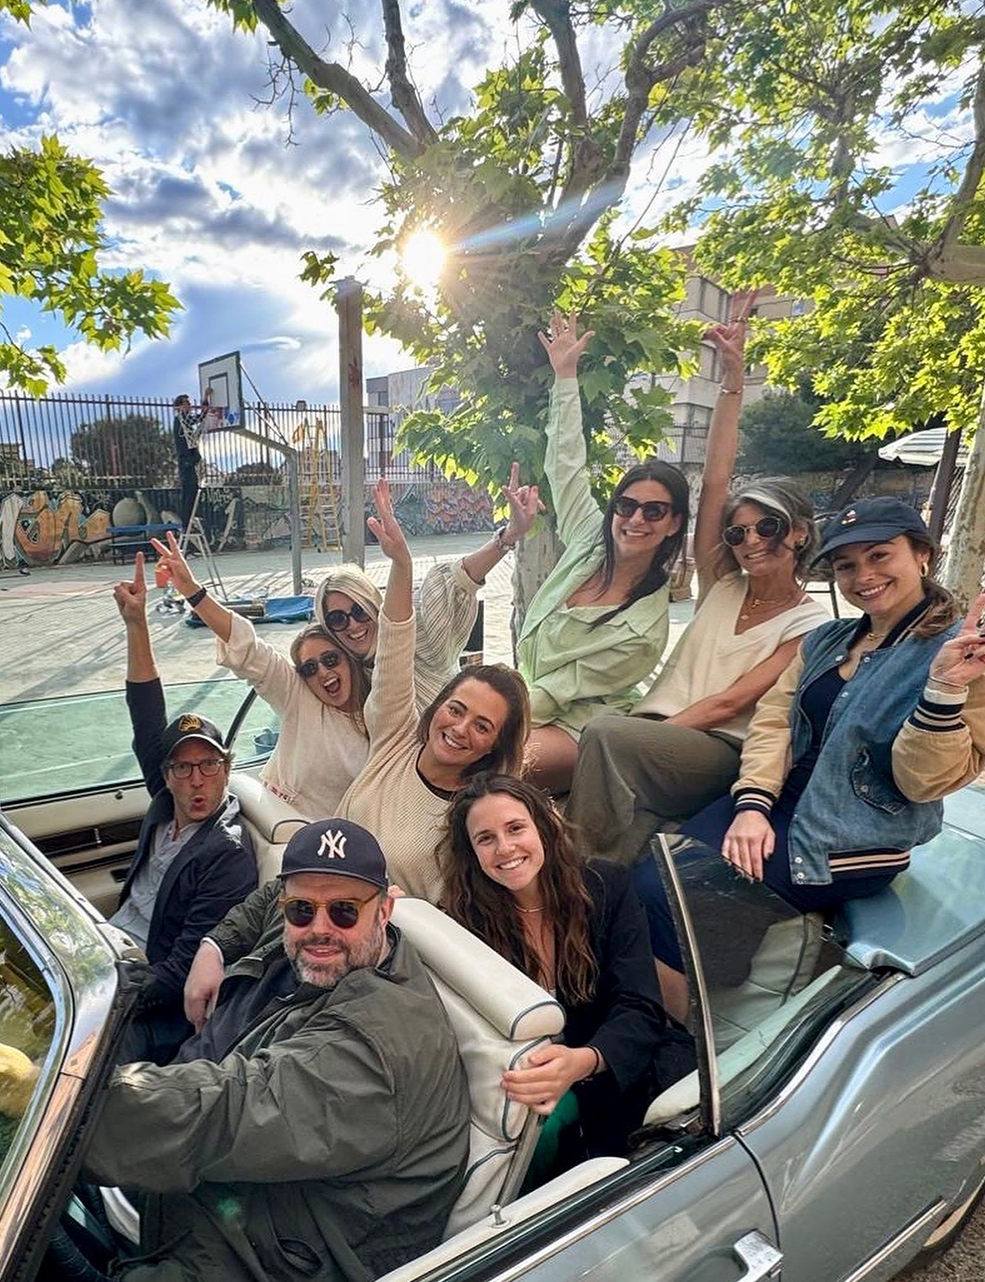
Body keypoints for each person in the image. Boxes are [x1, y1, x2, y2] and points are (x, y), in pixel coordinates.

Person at [0, 819, 470, 1282]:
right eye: (301, 909)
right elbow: (265, 903)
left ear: (385, 909)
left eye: (344, 910)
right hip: (225, 1208)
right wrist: (215, 948)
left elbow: (225, 1112)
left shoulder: (374, 1053)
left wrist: (53, 1096)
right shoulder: (336, 951)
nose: (319, 927)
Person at [632, 497, 985, 1015]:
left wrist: (944, 688)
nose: (863, 575)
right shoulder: (826, 639)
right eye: (846, 565)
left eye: (880, 556)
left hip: (852, 838)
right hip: (778, 804)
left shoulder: (971, 656)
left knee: (671, 903)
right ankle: (664, 1003)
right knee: (647, 874)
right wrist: (752, 805)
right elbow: (773, 725)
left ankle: (675, 1043)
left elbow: (923, 783)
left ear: (922, 554)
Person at [566, 297, 830, 863]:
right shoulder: (723, 582)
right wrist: (729, 384)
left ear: (800, 534)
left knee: (606, 737)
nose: (751, 540)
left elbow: (730, 703)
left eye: (768, 527)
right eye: (737, 534)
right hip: (663, 737)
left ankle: (569, 863)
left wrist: (638, 732)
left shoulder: (813, 623)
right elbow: (716, 482)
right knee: (617, 832)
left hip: (716, 748)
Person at [438, 773, 693, 1172]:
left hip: (621, 1066)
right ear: (471, 853)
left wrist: (582, 1062)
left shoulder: (606, 886)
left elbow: (640, 1005)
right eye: (485, 839)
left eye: (515, 828)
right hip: (527, 1077)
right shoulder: (462, 920)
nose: (505, 848)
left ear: (543, 825)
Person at [517, 313, 689, 792]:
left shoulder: (643, 631)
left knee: (488, 763)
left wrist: (494, 718)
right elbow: (566, 464)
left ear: (674, 523)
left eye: (654, 512)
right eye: (627, 505)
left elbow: (557, 693)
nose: (635, 520)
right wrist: (565, 377)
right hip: (532, 695)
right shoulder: (593, 538)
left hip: (583, 725)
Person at [335, 482, 531, 903]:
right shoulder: (395, 738)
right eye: (456, 709)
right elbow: (394, 647)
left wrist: (507, 538)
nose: (460, 729)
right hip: (319, 891)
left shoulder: (476, 816)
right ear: (437, 705)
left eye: (482, 726)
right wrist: (401, 565)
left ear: (495, 746)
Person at [108, 554, 259, 1060]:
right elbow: (146, 715)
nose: (198, 781)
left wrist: (106, 997)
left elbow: (179, 969)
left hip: (148, 993)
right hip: (109, 948)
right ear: (166, 776)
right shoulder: (165, 800)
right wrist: (136, 624)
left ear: (227, 768)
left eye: (210, 766)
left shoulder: (228, 854)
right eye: (183, 768)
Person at [149, 533, 370, 818]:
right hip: (263, 821)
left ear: (349, 660)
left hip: (321, 845)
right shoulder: (298, 696)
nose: (323, 672)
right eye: (309, 668)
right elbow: (247, 647)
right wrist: (192, 590)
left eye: (330, 659)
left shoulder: (381, 713)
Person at [314, 466, 540, 710]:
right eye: (337, 619)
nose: (354, 625)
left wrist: (509, 535)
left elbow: (458, 580)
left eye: (359, 611)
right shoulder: (336, 668)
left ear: (374, 606)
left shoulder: (415, 631)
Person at [173, 392, 206, 526]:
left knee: (193, 489)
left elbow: (197, 420)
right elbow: (196, 419)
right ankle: (186, 522)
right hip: (186, 461)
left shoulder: (184, 421)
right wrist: (205, 400)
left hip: (189, 460)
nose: (190, 406)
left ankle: (188, 519)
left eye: (189, 403)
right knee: (189, 490)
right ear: (179, 407)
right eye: (186, 403)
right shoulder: (180, 420)